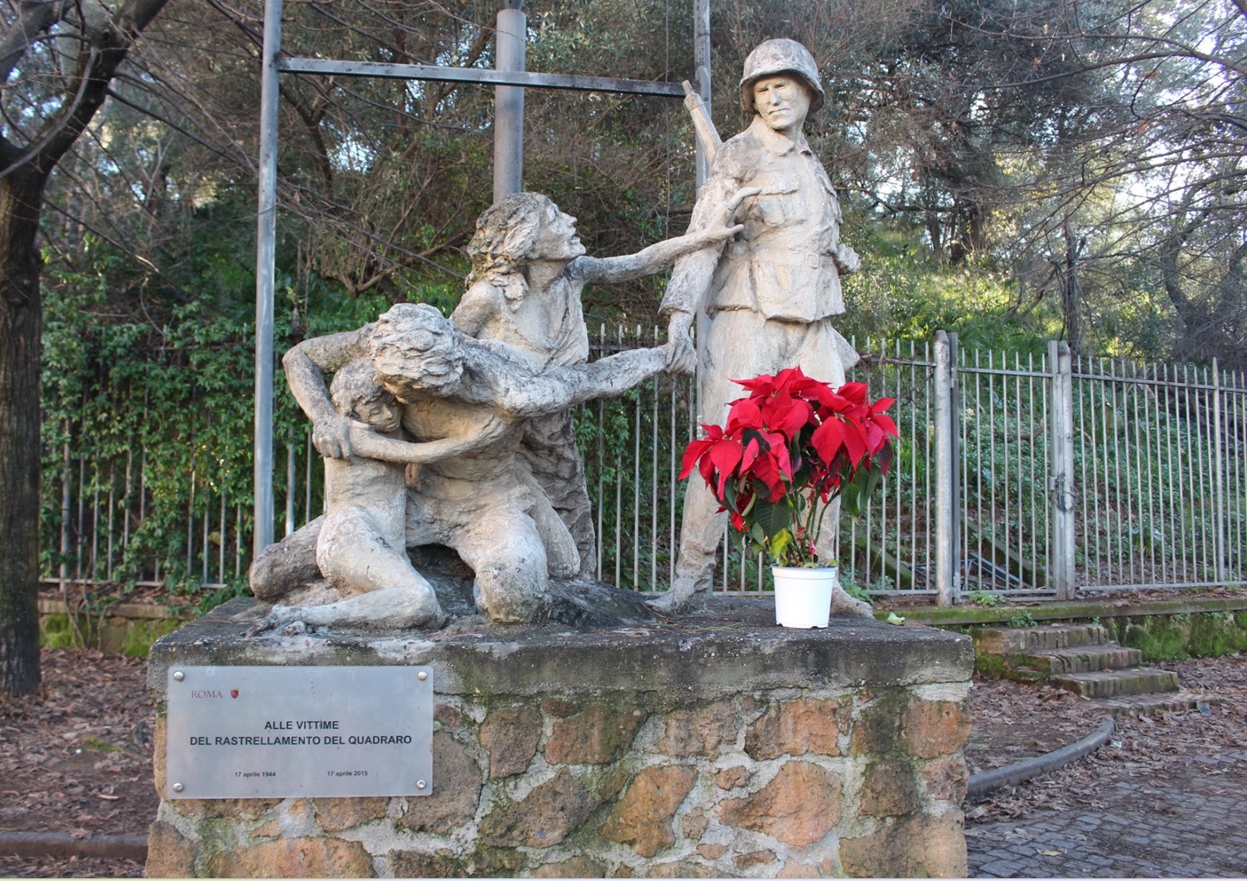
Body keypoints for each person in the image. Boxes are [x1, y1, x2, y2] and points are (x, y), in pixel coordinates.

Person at [265, 303, 683, 627]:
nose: (409, 405)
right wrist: (324, 416)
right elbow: (299, 358)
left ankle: (470, 586)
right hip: (414, 500)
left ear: (453, 368)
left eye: (426, 394)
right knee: (269, 576)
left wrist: (664, 355)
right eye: (402, 394)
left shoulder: (510, 388)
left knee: (515, 600)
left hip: (490, 504)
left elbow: (593, 378)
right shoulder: (389, 341)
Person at [650, 38, 870, 617]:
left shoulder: (813, 166)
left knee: (825, 453)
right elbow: (703, 235)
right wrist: (678, 316)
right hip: (747, 313)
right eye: (764, 89)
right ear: (751, 99)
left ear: (808, 95)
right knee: (723, 445)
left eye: (785, 87)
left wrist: (839, 253)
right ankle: (690, 581)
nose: (774, 98)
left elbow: (810, 234)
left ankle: (821, 578)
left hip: (815, 320)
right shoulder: (739, 155)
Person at [451, 191, 753, 574]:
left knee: (573, 514)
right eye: (556, 219)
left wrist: (705, 237)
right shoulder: (488, 298)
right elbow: (446, 357)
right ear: (525, 241)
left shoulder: (574, 274)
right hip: (493, 439)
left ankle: (577, 590)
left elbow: (640, 262)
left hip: (553, 433)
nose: (571, 221)